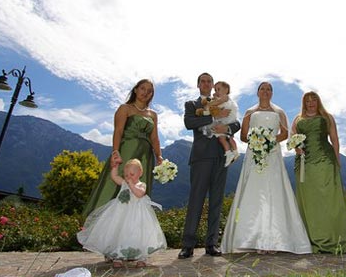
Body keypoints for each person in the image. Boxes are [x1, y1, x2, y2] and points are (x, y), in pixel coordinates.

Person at [221, 82, 311, 255]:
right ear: (257, 92)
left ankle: (275, 240)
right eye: (263, 88)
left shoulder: (279, 112)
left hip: (273, 155)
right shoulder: (250, 112)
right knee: (253, 191)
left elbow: (285, 134)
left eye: (269, 89)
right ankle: (252, 238)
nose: (266, 91)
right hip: (254, 155)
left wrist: (269, 140)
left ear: (272, 93)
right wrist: (256, 140)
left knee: (274, 191)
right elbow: (243, 136)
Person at [179, 72, 241, 259]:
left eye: (209, 81)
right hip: (201, 157)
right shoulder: (192, 105)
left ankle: (211, 244)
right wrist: (215, 117)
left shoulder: (224, 101)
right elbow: (189, 122)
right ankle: (188, 245)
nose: (206, 84)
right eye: (203, 81)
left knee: (217, 201)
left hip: (221, 156)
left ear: (213, 85)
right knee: (196, 200)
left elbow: (236, 122)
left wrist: (227, 128)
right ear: (198, 85)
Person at [82, 79, 163, 217]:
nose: (146, 93)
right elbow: (118, 131)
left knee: (138, 186)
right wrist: (115, 152)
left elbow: (154, 138)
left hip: (145, 156)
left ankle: (133, 226)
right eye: (143, 88)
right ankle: (97, 221)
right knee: (114, 182)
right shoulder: (125, 108)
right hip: (126, 151)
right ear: (136, 90)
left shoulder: (153, 115)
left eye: (150, 91)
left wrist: (159, 156)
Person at [290, 91, 346, 254]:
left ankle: (333, 238)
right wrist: (296, 148)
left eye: (314, 100)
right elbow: (292, 137)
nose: (311, 103)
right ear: (303, 103)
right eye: (307, 101)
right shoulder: (297, 119)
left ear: (318, 102)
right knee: (309, 200)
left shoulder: (327, 117)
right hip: (304, 164)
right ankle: (311, 239)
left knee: (327, 199)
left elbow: (334, 139)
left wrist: (337, 160)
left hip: (325, 161)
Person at [77, 159, 167, 268]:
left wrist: (131, 184)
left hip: (138, 216)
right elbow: (114, 177)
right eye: (126, 175)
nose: (128, 177)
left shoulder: (141, 184)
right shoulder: (124, 182)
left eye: (132, 174)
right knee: (119, 233)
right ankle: (118, 256)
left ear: (140, 173)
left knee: (138, 235)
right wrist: (115, 167)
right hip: (121, 214)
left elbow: (139, 194)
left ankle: (141, 257)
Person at [196, 81, 240, 167]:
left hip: (228, 120)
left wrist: (208, 105)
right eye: (215, 90)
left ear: (226, 90)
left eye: (218, 89)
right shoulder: (190, 104)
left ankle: (234, 151)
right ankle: (230, 153)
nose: (216, 92)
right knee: (222, 139)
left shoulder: (225, 98)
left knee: (229, 138)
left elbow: (216, 104)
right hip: (221, 123)